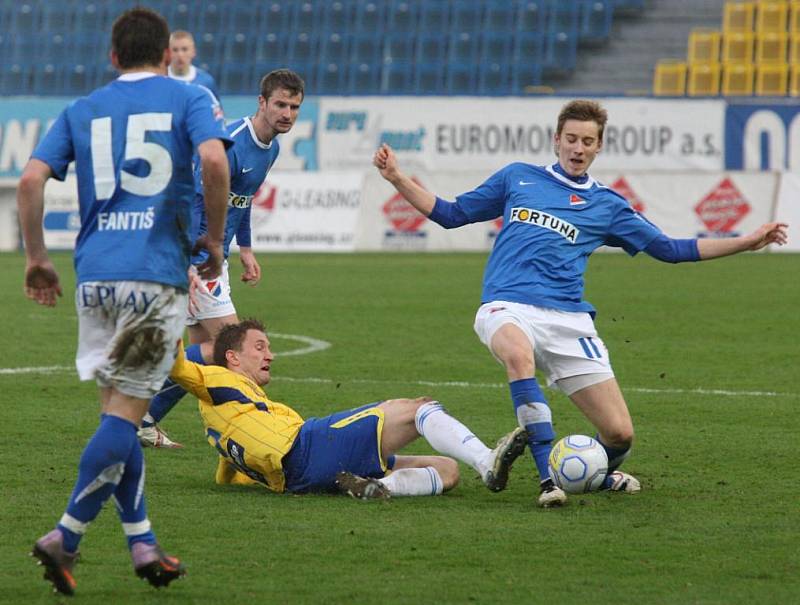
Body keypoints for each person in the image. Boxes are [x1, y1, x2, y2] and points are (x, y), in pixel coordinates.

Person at [373, 99, 789, 508]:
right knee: (519, 357)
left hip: (569, 321)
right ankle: (546, 479)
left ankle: (595, 471)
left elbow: (669, 248)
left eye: (587, 142)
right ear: (556, 140)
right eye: (571, 139)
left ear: (598, 147)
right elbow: (452, 213)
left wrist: (749, 242)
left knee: (620, 434)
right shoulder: (517, 177)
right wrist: (396, 177)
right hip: (507, 306)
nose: (578, 148)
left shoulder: (607, 206)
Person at [18, 8, 231, 595]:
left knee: (120, 415)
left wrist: (37, 257)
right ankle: (65, 535)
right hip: (152, 276)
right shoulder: (189, 97)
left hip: (96, 281)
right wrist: (213, 239)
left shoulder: (82, 108)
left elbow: (32, 180)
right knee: (123, 417)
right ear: (168, 55)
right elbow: (214, 160)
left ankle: (142, 543)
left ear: (112, 57)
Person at [170, 318, 528, 499]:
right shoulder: (217, 379)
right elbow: (179, 366)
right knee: (417, 409)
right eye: (260, 347)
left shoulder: (227, 413)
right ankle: (486, 463)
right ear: (232, 357)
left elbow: (227, 473)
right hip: (307, 446)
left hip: (300, 479)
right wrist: (164, 301)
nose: (270, 355)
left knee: (447, 470)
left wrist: (242, 475)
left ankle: (374, 486)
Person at [138, 69, 305, 449]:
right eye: (280, 104)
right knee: (238, 349)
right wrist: (187, 263)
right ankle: (258, 435)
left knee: (208, 361)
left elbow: (241, 201)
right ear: (261, 103)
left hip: (213, 258)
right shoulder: (230, 143)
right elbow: (195, 202)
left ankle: (142, 418)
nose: (287, 114)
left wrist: (245, 249)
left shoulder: (272, 148)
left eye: (294, 107)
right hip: (194, 256)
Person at [168, 30, 220, 101]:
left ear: (193, 52)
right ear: (167, 53)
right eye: (175, 50)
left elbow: (216, 110)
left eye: (184, 49)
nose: (180, 55)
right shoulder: (159, 80)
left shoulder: (206, 81)